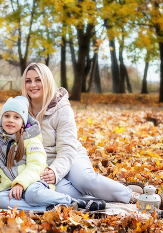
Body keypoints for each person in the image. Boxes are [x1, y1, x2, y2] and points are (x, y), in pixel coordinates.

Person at [21, 62, 144, 204]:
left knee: (84, 180)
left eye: (38, 80)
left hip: (71, 156)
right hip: (44, 164)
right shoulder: (21, 111)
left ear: (47, 81)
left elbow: (67, 148)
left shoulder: (61, 108)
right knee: (62, 192)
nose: (33, 85)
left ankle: (132, 197)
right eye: (28, 81)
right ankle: (110, 192)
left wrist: (56, 171)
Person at [0, 96, 106, 211]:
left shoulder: (31, 139)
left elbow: (36, 164)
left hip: (35, 182)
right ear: (1, 119)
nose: (10, 120)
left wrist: (21, 183)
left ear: (23, 123)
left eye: (16, 117)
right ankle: (48, 208)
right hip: (13, 187)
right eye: (6, 116)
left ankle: (71, 201)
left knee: (31, 195)